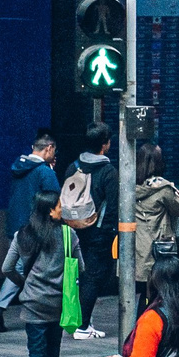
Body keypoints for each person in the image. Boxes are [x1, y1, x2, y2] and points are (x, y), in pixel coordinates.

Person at [0, 130, 58, 330]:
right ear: (49, 148)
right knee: (23, 267)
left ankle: (10, 306)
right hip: (34, 227)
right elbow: (54, 199)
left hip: (14, 225)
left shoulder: (18, 167)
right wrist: (52, 172)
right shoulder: (44, 171)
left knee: (21, 266)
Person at [1, 194, 69, 357]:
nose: (62, 209)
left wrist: (24, 283)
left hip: (33, 302)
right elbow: (80, 266)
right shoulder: (67, 234)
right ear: (49, 211)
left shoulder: (22, 235)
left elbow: (7, 268)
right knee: (53, 348)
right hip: (58, 301)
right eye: (59, 206)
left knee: (37, 351)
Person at [68, 129, 119, 340]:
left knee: (81, 275)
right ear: (105, 144)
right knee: (94, 278)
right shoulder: (108, 171)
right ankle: (83, 326)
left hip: (75, 228)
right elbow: (115, 205)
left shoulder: (74, 166)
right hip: (99, 233)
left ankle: (79, 320)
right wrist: (111, 229)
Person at [131, 147, 179, 312]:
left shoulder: (129, 185)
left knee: (145, 291)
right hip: (159, 248)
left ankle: (141, 326)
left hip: (136, 247)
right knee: (158, 292)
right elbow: (177, 209)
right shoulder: (163, 188)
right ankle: (149, 327)